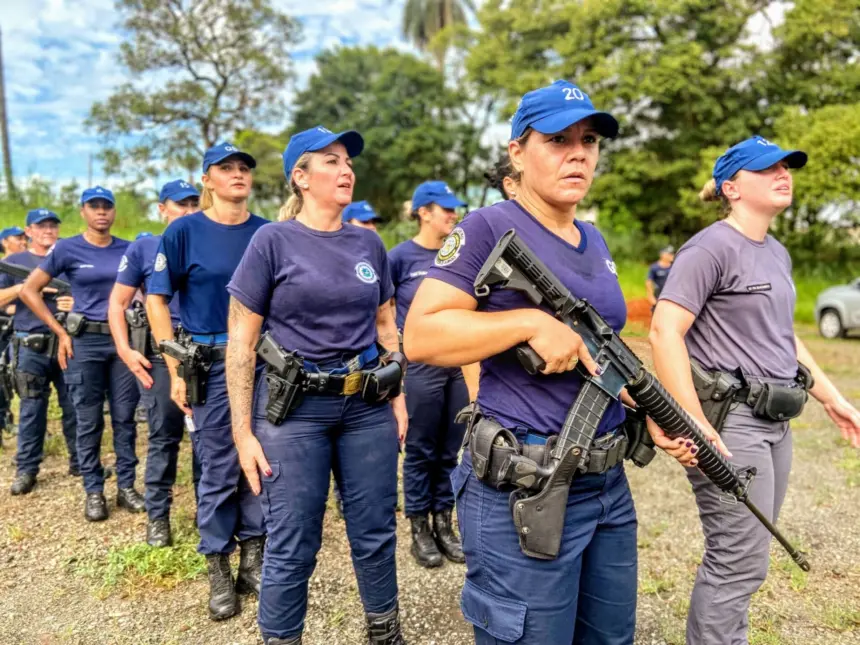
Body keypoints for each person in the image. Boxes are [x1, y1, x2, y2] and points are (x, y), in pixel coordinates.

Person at [404, 80, 685, 644]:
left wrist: (649, 406)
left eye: (589, 140)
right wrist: (529, 323)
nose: (578, 152)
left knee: (610, 637)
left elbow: (598, 349)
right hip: (526, 487)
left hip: (606, 485)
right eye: (557, 139)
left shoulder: (594, 238)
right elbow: (421, 336)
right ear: (516, 151)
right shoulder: (485, 227)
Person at [649, 135, 860, 645]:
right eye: (767, 168)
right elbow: (663, 330)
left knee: (749, 556)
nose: (783, 174)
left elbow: (783, 339)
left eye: (787, 166)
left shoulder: (778, 253)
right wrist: (693, 422)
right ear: (732, 187)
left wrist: (834, 401)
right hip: (730, 422)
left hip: (777, 421)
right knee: (737, 560)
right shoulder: (709, 247)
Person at [226, 125, 408, 645]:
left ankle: (384, 631)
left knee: (374, 531)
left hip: (366, 408)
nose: (345, 169)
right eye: (330, 161)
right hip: (293, 413)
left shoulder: (369, 243)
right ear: (300, 178)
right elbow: (241, 344)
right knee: (293, 540)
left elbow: (385, 326)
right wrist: (243, 433)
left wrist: (398, 397)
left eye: (347, 160)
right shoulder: (272, 241)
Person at [147, 143, 267, 621]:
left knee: (262, 459)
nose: (237, 175)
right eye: (226, 169)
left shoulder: (267, 232)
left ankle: (253, 557)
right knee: (218, 464)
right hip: (211, 365)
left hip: (266, 364)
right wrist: (174, 368)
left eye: (243, 168)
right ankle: (217, 564)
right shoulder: (183, 231)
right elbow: (157, 300)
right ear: (207, 181)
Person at [20, 188, 144, 520]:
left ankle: (127, 487)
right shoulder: (67, 248)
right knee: (88, 420)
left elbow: (145, 294)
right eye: (95, 207)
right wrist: (59, 331)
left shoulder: (128, 249)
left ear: (114, 212)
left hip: (122, 343)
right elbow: (30, 290)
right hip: (84, 342)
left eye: (107, 207)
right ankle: (93, 490)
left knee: (124, 418)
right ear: (83, 211)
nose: (101, 212)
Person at [108, 180, 200, 547]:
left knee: (207, 439)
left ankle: (208, 513)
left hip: (210, 352)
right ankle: (158, 518)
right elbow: (117, 303)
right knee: (164, 436)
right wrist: (125, 350)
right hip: (166, 353)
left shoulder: (215, 241)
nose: (189, 210)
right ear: (162, 209)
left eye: (195, 203)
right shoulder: (146, 246)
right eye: (181, 204)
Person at [389, 180, 469, 568]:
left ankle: (444, 522)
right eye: (446, 210)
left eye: (455, 210)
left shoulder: (459, 256)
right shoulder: (400, 258)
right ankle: (419, 527)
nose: (453, 216)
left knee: (451, 450)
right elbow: (383, 314)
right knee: (420, 449)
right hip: (420, 368)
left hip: (457, 366)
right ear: (424, 212)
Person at [1, 209, 78, 494]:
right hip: (30, 345)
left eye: (52, 226)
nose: (48, 230)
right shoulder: (14, 263)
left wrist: (75, 303)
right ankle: (27, 469)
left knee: (75, 407)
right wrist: (25, 287)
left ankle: (80, 462)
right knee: (32, 409)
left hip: (68, 343)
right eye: (41, 226)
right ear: (28, 231)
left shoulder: (68, 258)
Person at [646, 246, 674, 310]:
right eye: (669, 254)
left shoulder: (674, 267)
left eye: (672, 254)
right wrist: (651, 297)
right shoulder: (655, 267)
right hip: (658, 297)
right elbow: (648, 282)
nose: (672, 255)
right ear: (663, 255)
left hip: (671, 297)